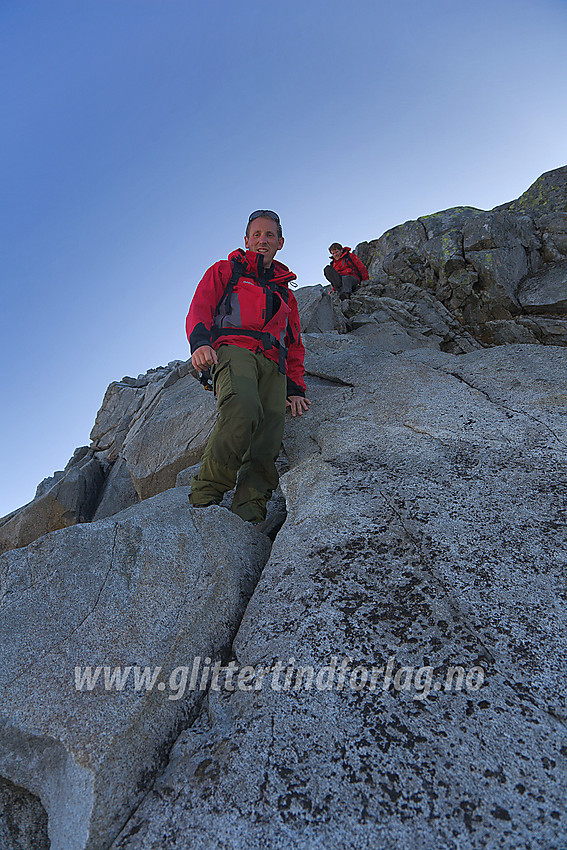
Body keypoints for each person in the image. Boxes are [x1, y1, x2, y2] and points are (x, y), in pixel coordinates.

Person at [186, 210, 310, 524]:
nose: (262, 240)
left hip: (273, 365)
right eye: (256, 235)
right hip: (233, 350)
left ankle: (249, 512)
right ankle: (205, 495)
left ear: (280, 242)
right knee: (242, 408)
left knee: (269, 435)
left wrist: (295, 388)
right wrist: (200, 342)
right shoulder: (226, 270)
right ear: (246, 240)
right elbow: (201, 304)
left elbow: (293, 342)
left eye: (269, 235)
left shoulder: (286, 293)